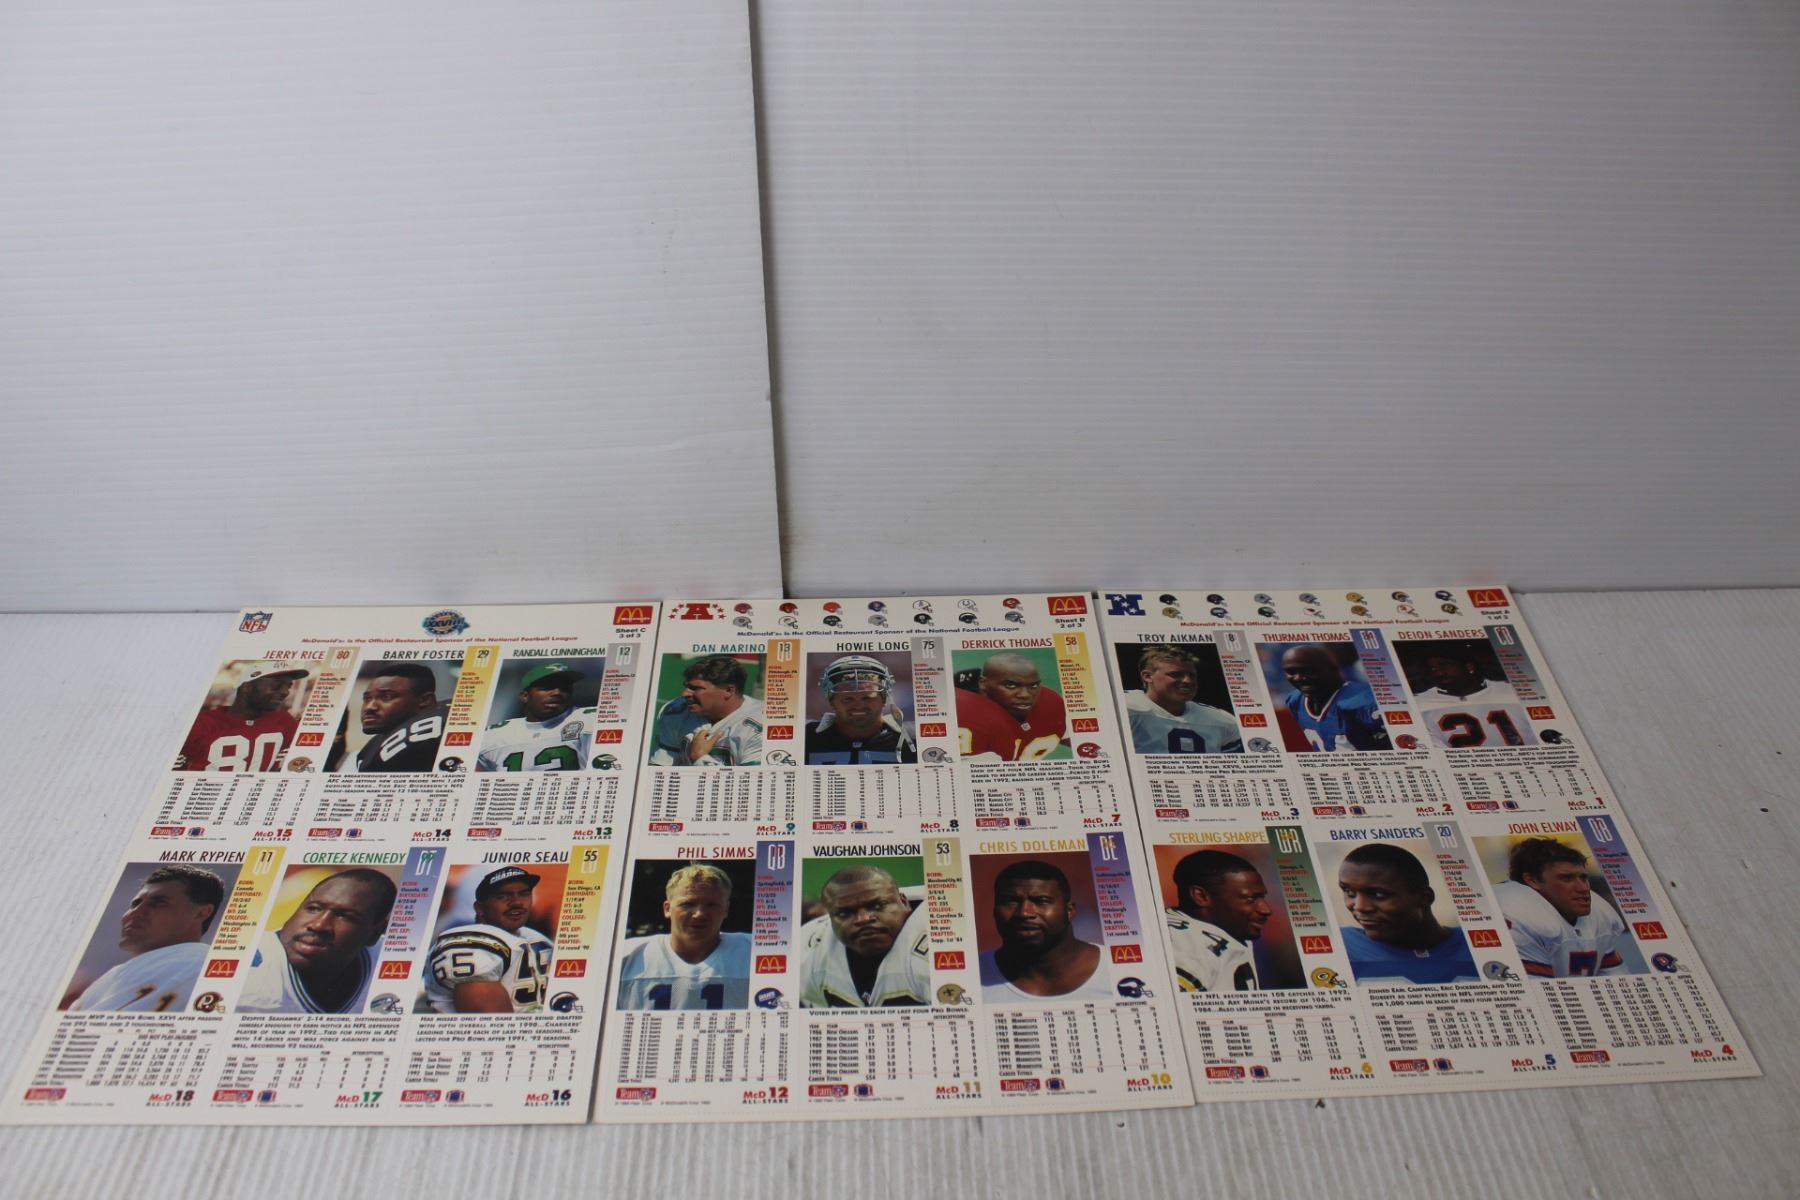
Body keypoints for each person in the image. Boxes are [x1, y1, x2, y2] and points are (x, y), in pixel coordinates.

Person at [69, 866, 224, 1012]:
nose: (135, 912)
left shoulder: (194, 963)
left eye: (159, 903)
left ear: (202, 912)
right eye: (135, 904)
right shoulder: (113, 976)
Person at [239, 869, 396, 1013]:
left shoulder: (392, 964)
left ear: (375, 933)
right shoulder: (246, 972)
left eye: (345, 916)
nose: (318, 925)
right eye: (314, 908)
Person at [615, 864, 751, 1009]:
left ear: (726, 909)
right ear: (667, 909)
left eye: (711, 905)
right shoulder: (626, 956)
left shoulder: (753, 951)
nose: (699, 914)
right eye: (688, 904)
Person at [1336, 844, 1477, 984]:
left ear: (1424, 898)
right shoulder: (1342, 945)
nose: (1360, 907)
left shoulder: (1476, 942)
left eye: (1379, 895)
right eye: (1349, 892)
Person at [422, 866, 555, 1012]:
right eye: (502, 896)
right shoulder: (471, 945)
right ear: (479, 908)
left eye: (524, 894)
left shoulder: (535, 938)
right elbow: (490, 1023)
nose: (517, 902)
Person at [979, 860, 1112, 1001]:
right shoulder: (972, 976)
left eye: (1041, 901)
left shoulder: (1116, 971)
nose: (1024, 913)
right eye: (1011, 901)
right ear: (994, 911)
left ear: (1069, 911)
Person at [798, 865, 930, 1006]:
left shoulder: (931, 949)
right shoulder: (810, 950)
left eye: (878, 906)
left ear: (904, 902)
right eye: (845, 913)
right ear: (830, 917)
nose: (863, 919)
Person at [1495, 838, 1629, 978]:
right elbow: (1538, 989)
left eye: (1583, 878)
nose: (1583, 888)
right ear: (1532, 880)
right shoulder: (1516, 913)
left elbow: (1619, 981)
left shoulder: (1600, 914)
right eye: (1567, 878)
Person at [1164, 850, 1270, 992]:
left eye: (1262, 898)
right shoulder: (1190, 948)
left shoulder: (1228, 928)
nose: (1266, 910)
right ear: (1201, 896)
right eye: (1250, 899)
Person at [176, 661, 310, 771]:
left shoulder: (284, 720)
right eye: (277, 686)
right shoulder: (201, 723)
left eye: (288, 686)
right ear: (246, 687)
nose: (285, 692)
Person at [477, 662, 596, 771]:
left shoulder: (590, 718)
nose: (557, 692)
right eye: (547, 687)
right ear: (525, 696)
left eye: (565, 688)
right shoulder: (494, 735)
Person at [1413, 642, 1534, 749]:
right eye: (1432, 669)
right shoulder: (1420, 703)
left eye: (1445, 665)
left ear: (1469, 667)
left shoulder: (1511, 691)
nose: (1438, 673)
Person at [648, 656, 764, 766]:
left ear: (728, 690)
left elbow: (753, 779)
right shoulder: (677, 711)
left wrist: (699, 757)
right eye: (687, 687)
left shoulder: (761, 725)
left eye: (696, 688)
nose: (685, 694)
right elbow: (661, 764)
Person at [1126, 645, 1242, 755]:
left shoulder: (1222, 720)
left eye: (1192, 675)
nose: (1187, 681)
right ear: (1147, 676)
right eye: (1176, 674)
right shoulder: (1127, 708)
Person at [332, 662, 445, 772]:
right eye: (367, 699)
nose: (370, 707)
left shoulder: (434, 731)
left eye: (386, 697)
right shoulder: (369, 751)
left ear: (425, 700)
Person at [956, 653, 1068, 762]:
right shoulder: (965, 716)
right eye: (1011, 685)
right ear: (983, 683)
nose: (1025, 695)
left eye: (1033, 685)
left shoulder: (1050, 702)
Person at [804, 656, 916, 765]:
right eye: (848, 699)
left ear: (884, 698)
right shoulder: (806, 738)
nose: (858, 706)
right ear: (831, 701)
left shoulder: (912, 738)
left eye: (867, 698)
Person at [1279, 644, 1390, 752]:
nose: (1298, 678)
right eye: (1291, 672)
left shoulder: (1367, 703)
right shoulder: (1295, 700)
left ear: (1333, 669)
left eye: (1308, 671)